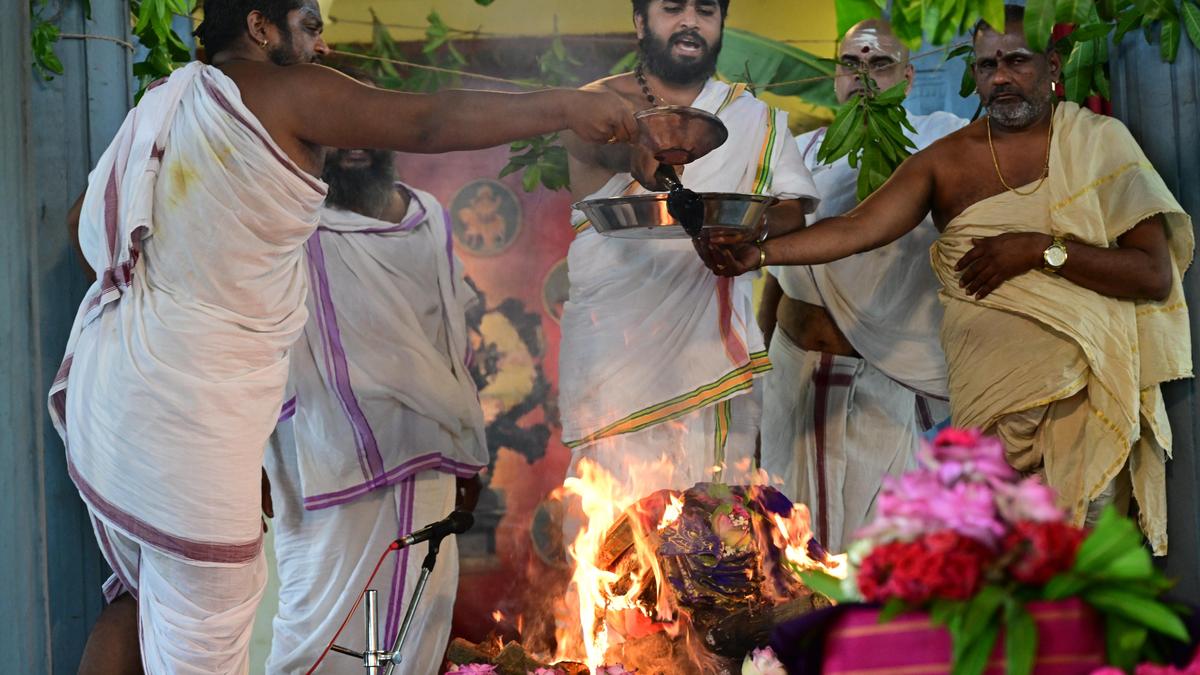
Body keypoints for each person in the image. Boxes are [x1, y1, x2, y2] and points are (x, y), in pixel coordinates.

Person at [53, 0, 638, 671]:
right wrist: (565, 106)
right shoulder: (278, 91)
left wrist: (182, 293)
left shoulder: (166, 106)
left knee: (132, 600)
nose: (321, 48)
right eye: (308, 25)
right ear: (258, 27)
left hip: (118, 388)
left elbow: (83, 230)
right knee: (202, 638)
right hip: (194, 414)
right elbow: (428, 118)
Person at [700, 5, 1192, 555]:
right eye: (987, 66)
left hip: (1080, 405)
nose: (1001, 77)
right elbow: (859, 228)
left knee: (1075, 593)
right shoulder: (947, 160)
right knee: (993, 599)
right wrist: (760, 253)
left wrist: (1038, 250)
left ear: (1052, 64)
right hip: (985, 422)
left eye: (1017, 61)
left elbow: (1151, 274)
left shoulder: (1098, 142)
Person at [264, 77, 486, 672]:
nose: (355, 144)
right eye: (340, 131)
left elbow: (451, 337)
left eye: (367, 129)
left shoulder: (428, 218)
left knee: (421, 615)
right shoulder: (292, 222)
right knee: (319, 628)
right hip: (323, 461)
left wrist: (465, 444)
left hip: (427, 449)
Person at [558, 0, 818, 500]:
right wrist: (639, 148)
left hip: (711, 346)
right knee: (618, 525)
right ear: (640, 22)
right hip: (620, 348)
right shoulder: (595, 105)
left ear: (721, 25)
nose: (690, 21)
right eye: (672, 7)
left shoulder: (752, 116)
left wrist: (747, 229)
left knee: (716, 525)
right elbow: (598, 149)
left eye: (705, 10)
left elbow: (791, 210)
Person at [757, 19, 966, 552]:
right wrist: (757, 369)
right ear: (835, 77)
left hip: (883, 377)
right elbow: (779, 279)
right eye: (851, 64)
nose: (864, 78)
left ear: (909, 76)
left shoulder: (941, 142)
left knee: (875, 550)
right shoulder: (798, 155)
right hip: (792, 375)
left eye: (880, 64)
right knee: (784, 539)